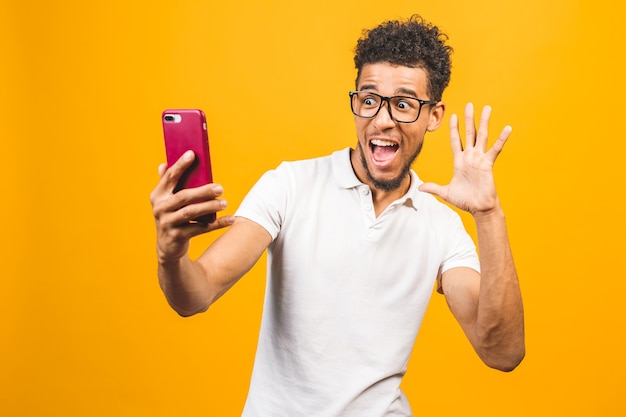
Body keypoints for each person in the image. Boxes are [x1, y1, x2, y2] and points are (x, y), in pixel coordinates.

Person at [150, 14, 525, 417]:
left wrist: (488, 215)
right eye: (369, 99)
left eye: (403, 104)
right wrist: (171, 255)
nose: (382, 119)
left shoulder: (442, 226)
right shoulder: (290, 185)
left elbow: (502, 352)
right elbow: (196, 294)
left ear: (433, 115)